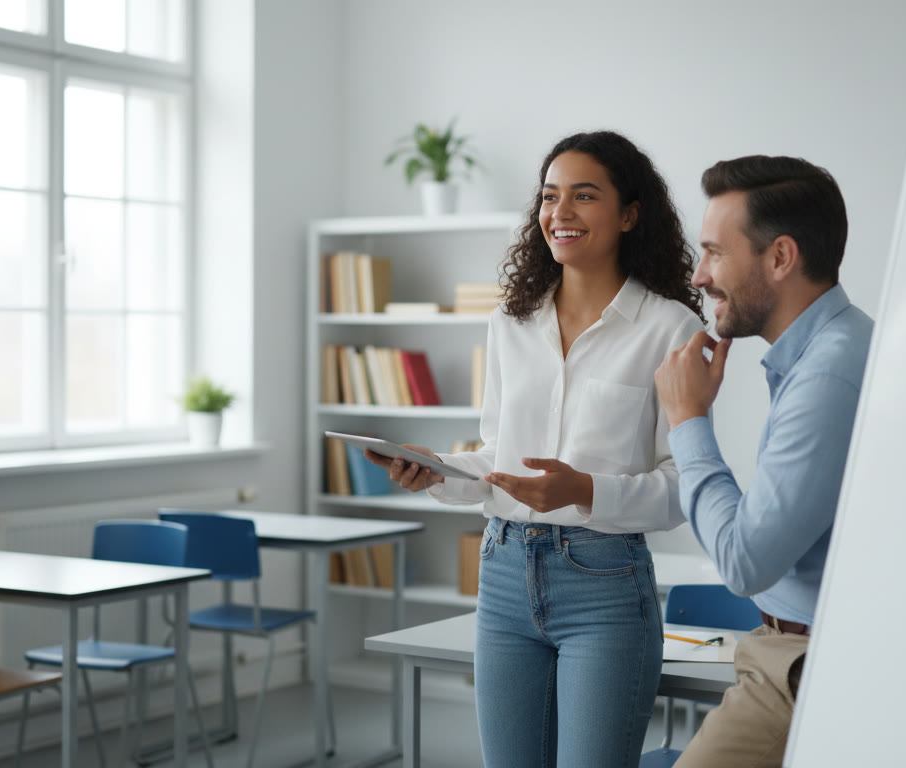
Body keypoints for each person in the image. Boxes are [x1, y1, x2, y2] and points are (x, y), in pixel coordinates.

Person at [365, 130, 705, 767]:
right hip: (501, 577)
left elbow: (684, 486)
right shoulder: (510, 323)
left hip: (603, 586)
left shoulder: (670, 328)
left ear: (630, 214)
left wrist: (583, 491)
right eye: (550, 196)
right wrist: (435, 471)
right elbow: (500, 459)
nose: (560, 212)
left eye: (584, 195)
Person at [653, 155, 874, 767]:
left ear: (779, 258)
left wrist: (688, 420)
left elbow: (744, 562)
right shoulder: (832, 351)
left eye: (714, 253)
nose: (699, 276)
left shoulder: (828, 374)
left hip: (799, 667)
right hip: (786, 648)